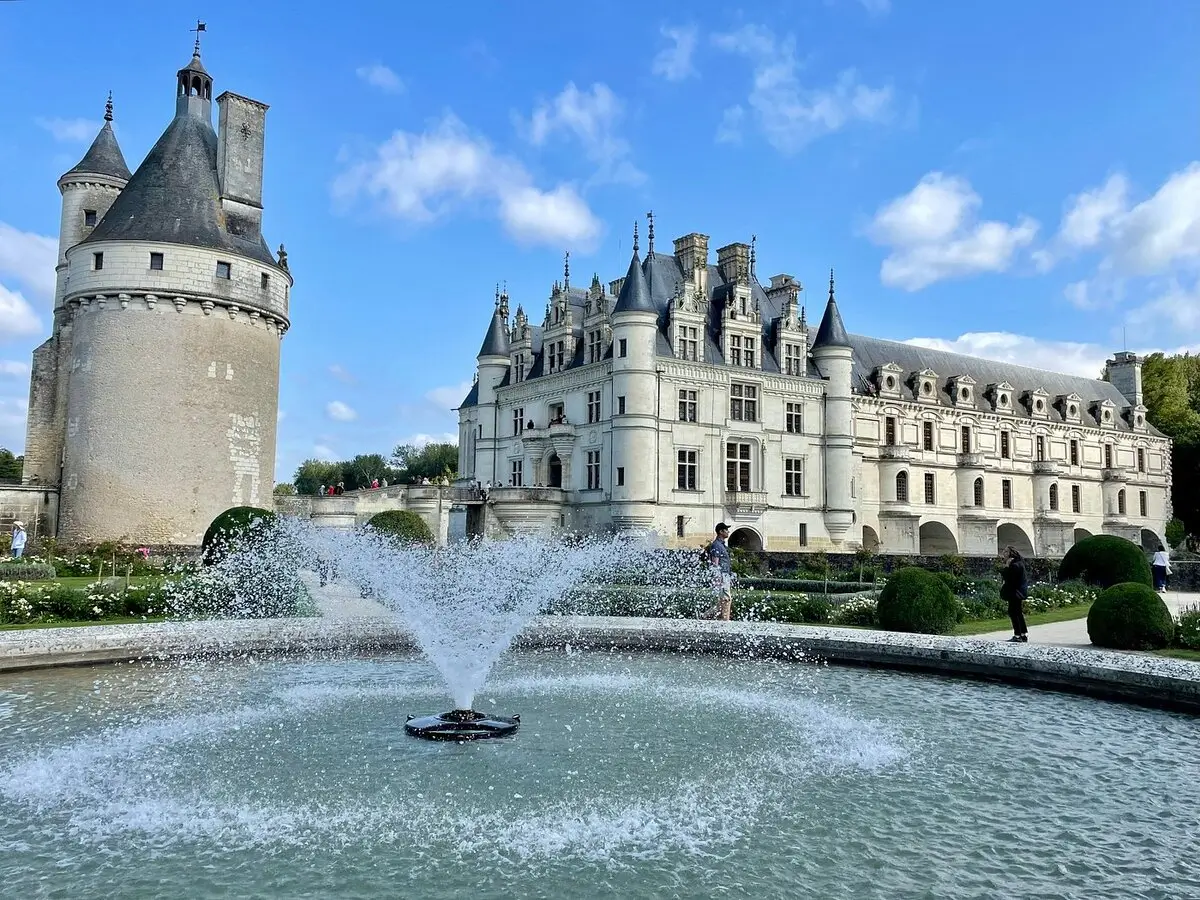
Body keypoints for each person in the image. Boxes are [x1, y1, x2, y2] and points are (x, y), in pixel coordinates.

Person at [705, 522, 733, 621]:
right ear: (721, 532)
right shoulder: (716, 545)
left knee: (722, 601)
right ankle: (725, 620)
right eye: (726, 530)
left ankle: (705, 617)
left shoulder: (721, 545)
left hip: (725, 575)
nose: (728, 532)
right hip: (722, 576)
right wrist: (717, 577)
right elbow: (715, 563)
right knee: (726, 598)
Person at [1000, 546, 1029, 643]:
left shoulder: (1014, 565)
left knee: (1013, 612)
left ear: (1010, 553)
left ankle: (1017, 635)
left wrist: (1006, 567)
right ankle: (1023, 634)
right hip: (1018, 592)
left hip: (1015, 592)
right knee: (1018, 613)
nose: (1004, 553)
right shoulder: (1019, 563)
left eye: (1005, 552)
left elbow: (1009, 579)